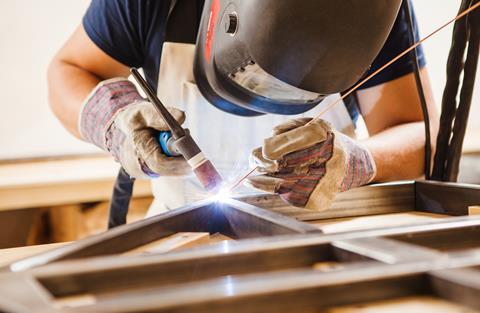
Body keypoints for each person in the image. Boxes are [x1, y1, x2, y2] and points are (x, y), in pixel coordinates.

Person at [48, 0, 438, 214]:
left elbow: (420, 134)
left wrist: (354, 161)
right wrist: (115, 121)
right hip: (182, 237)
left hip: (322, 233)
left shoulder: (370, 9)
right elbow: (70, 70)